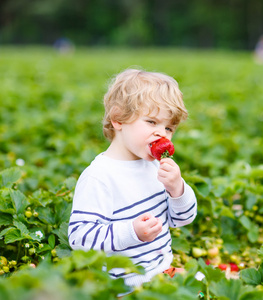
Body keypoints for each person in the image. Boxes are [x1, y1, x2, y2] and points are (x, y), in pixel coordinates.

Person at [68, 68, 197, 289]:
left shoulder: (156, 167)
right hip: (121, 285)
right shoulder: (100, 177)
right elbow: (80, 239)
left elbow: (183, 219)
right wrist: (131, 233)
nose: (162, 134)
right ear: (118, 119)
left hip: (163, 273)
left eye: (169, 127)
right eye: (151, 122)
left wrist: (178, 189)